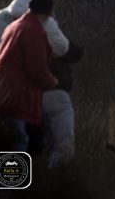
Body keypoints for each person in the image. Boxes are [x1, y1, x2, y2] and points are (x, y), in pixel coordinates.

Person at [0, 0, 59, 151]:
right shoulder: (33, 30)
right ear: (47, 13)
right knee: (19, 142)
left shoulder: (14, 26)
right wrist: (52, 81)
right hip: (15, 98)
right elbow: (36, 69)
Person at [44, 39, 84, 168]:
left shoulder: (13, 29)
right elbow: (75, 53)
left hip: (28, 95)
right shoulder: (47, 28)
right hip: (54, 93)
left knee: (40, 145)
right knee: (63, 150)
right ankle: (53, 182)